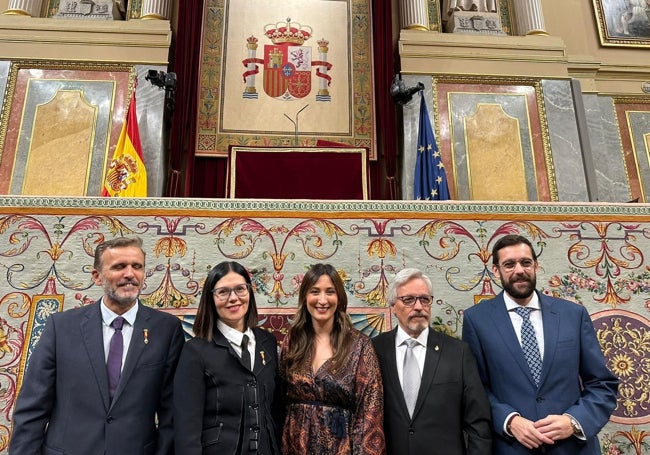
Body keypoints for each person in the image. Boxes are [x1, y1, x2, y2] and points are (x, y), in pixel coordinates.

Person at [9, 236, 185, 455]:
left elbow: (172, 412)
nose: (129, 274)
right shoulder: (61, 327)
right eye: (119, 266)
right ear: (97, 276)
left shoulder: (166, 329)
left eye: (137, 266)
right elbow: (32, 409)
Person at [462, 234, 619, 454]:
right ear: (496, 271)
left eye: (526, 262)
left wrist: (574, 421)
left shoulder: (573, 315)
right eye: (509, 264)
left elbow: (602, 383)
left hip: (573, 448)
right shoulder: (476, 320)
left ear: (536, 266)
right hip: (513, 448)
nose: (519, 270)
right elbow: (475, 388)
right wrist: (509, 421)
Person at [372, 268, 492, 455]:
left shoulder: (458, 353)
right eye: (409, 299)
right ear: (393, 306)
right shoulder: (374, 350)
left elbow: (478, 424)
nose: (418, 306)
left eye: (424, 299)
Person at [174, 261, 282, 455]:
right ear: (211, 298)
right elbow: (186, 427)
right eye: (223, 292)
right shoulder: (195, 351)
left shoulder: (268, 343)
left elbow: (274, 411)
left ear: (249, 292)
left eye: (240, 289)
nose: (233, 298)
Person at [280, 263, 385, 455]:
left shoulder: (359, 346)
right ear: (305, 297)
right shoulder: (293, 341)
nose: (322, 300)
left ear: (339, 298)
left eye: (330, 292)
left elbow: (370, 412)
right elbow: (278, 401)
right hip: (293, 447)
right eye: (315, 291)